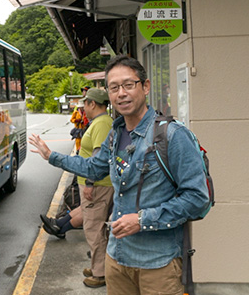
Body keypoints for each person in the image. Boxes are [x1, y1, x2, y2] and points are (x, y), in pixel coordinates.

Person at [29, 55, 210, 295]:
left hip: (158, 263)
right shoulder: (116, 134)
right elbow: (95, 168)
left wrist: (142, 220)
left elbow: (198, 199)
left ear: (145, 87)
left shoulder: (173, 136)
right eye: (114, 87)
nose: (121, 93)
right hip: (116, 258)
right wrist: (52, 156)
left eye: (128, 85)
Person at [41, 88, 114, 288]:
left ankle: (100, 274)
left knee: (93, 229)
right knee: (96, 227)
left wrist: (89, 182)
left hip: (97, 185)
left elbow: (98, 160)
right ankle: (99, 265)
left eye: (85, 104)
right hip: (97, 184)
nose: (82, 108)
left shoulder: (102, 124)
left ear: (92, 103)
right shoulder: (101, 123)